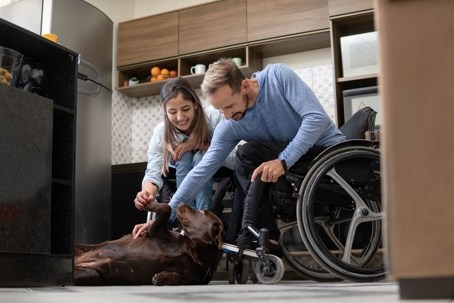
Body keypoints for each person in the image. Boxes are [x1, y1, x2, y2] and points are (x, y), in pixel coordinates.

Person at [133, 59, 345, 244]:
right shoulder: (231, 122)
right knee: (247, 156)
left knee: (248, 152)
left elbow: (317, 119)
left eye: (229, 106)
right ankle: (263, 238)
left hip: (328, 153)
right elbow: (203, 171)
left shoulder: (277, 77)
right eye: (219, 110)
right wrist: (166, 216)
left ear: (245, 86)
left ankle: (255, 235)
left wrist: (282, 161)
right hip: (296, 164)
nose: (225, 116)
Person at [132, 77, 235, 238]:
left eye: (185, 109)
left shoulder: (214, 118)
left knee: (200, 157)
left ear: (195, 103)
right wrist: (147, 193)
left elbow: (235, 159)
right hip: (181, 175)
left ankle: (202, 221)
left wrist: (196, 145)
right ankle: (186, 222)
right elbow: (153, 171)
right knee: (184, 157)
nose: (180, 117)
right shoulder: (161, 132)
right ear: (164, 110)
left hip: (219, 171)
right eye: (172, 112)